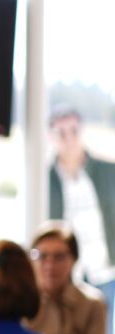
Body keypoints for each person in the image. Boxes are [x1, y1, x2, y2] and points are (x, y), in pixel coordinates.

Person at [47, 106, 115, 285]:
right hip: (66, 277)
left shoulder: (109, 171)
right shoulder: (45, 180)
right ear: (51, 137)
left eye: (74, 131)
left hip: (106, 271)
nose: (68, 139)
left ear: (82, 131)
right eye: (61, 133)